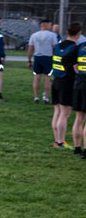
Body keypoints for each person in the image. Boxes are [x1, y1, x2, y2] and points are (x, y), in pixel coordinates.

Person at [50, 22, 82, 150]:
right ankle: (61, 142)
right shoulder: (75, 48)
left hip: (56, 80)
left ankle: (57, 141)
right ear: (79, 33)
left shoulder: (58, 45)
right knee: (65, 113)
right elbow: (72, 65)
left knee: (57, 111)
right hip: (66, 82)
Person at [27, 19, 58, 104]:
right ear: (46, 24)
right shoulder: (52, 35)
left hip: (37, 57)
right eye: (50, 24)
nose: (51, 26)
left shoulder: (34, 35)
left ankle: (36, 97)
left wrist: (29, 60)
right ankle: (46, 98)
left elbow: (30, 48)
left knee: (36, 78)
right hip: (48, 58)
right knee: (47, 78)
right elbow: (55, 47)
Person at [74, 39, 86, 159]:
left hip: (79, 83)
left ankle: (77, 148)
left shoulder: (81, 47)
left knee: (79, 118)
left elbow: (74, 65)